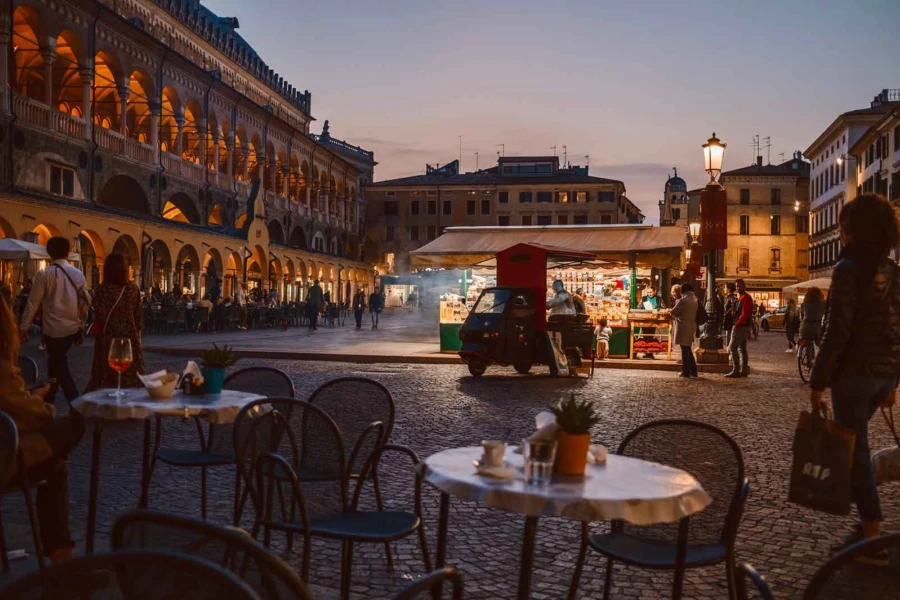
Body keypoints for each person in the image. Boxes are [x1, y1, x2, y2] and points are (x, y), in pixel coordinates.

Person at [810, 194, 900, 561]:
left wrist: (817, 382)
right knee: (857, 450)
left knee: (856, 453)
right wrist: (893, 382)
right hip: (884, 373)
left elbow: (837, 331)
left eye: (844, 225)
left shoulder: (847, 268)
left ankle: (871, 537)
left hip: (855, 373)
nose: (841, 231)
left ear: (853, 230)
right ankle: (866, 527)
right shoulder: (893, 269)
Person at [0, 293, 84, 564]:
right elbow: (33, 415)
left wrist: (28, 401)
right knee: (77, 422)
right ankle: (62, 561)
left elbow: (13, 408)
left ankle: (62, 557)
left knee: (55, 467)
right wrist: (44, 400)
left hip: (11, 437)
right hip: (5, 455)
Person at [18, 236, 88, 404]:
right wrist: (81, 325)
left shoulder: (44, 275)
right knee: (55, 362)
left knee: (59, 364)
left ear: (49, 253)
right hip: (72, 328)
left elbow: (33, 303)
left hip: (53, 329)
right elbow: (84, 303)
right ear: (67, 252)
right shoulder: (78, 273)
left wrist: (23, 327)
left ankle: (75, 401)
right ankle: (50, 397)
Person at [86, 254, 145, 391]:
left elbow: (99, 315)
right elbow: (139, 318)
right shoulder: (133, 289)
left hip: (108, 339)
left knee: (105, 377)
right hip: (129, 340)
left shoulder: (102, 290)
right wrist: (138, 338)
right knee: (130, 378)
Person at [670, 283, 699, 378]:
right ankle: (693, 371)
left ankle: (685, 371)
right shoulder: (694, 299)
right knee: (688, 348)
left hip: (683, 326)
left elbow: (673, 312)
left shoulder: (683, 300)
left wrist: (672, 313)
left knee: (684, 349)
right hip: (691, 326)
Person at [726, 278, 752, 378]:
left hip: (741, 325)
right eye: (737, 286)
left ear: (744, 286)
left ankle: (736, 370)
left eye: (740, 285)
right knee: (742, 348)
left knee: (733, 347)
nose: (738, 287)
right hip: (743, 324)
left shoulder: (745, 297)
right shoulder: (741, 297)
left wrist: (737, 323)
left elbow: (745, 314)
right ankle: (743, 370)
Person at [639, 284, 665, 358]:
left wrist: (656, 309)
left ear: (655, 292)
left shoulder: (659, 298)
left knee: (651, 335)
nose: (649, 294)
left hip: (654, 320)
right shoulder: (644, 298)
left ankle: (650, 352)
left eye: (651, 292)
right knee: (645, 335)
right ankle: (646, 352)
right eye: (648, 292)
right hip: (645, 319)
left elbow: (663, 307)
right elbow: (639, 307)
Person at [722, 282, 739, 349]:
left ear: (729, 289)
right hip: (729, 320)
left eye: (725, 287)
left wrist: (727, 313)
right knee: (728, 336)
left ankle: (729, 352)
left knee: (729, 337)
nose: (724, 289)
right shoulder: (729, 298)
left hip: (730, 321)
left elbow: (733, 309)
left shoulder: (731, 298)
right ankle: (729, 351)